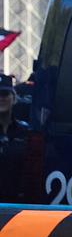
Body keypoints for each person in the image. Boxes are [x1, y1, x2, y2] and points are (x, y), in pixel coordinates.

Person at [0, 74, 29, 203]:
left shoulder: (24, 131)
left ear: (14, 98)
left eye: (5, 94)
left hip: (16, 203)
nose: (1, 98)